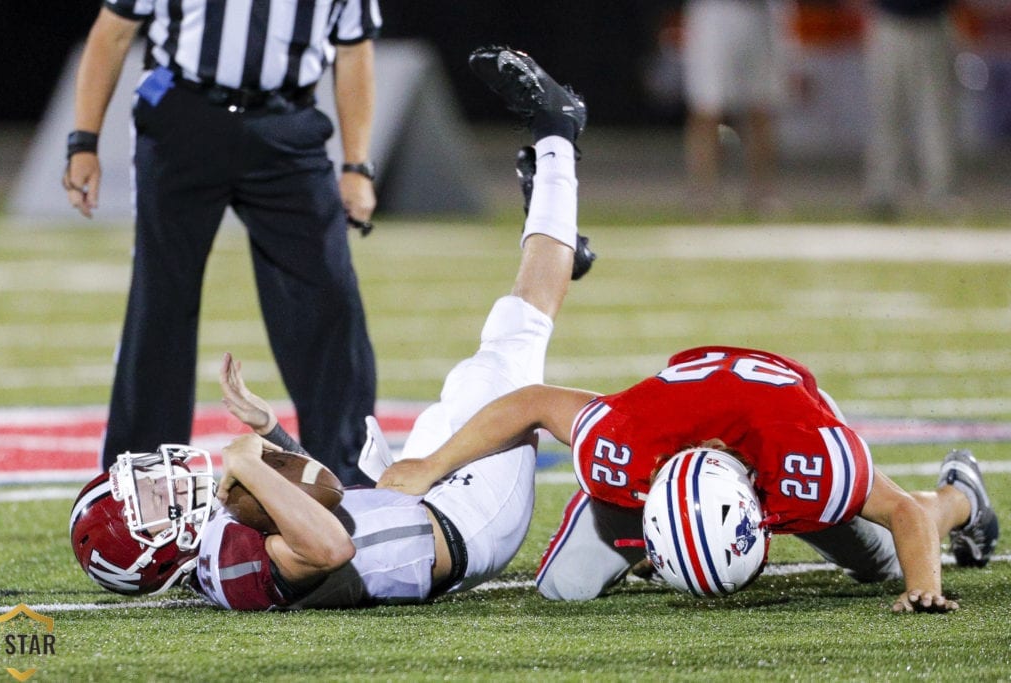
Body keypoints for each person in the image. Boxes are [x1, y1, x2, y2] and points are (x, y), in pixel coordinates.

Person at [70, 46, 594, 609]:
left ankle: (554, 226)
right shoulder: (229, 570)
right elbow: (330, 548)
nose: (165, 477)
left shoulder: (219, 543)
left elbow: (328, 493)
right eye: (150, 497)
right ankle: (557, 131)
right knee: (519, 347)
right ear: (151, 550)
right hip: (466, 521)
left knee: (492, 363)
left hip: (410, 496)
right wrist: (251, 461)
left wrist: (273, 436)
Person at [376, 347, 999, 613]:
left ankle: (960, 495)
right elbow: (533, 401)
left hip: (783, 409)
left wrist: (925, 589)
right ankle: (655, 551)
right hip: (674, 428)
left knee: (887, 564)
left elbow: (901, 515)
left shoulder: (810, 466)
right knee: (563, 589)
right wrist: (430, 467)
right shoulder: (624, 445)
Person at [61, 0, 381, 485]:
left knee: (329, 296)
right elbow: (113, 32)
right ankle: (142, 480)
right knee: (162, 299)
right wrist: (83, 141)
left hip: (287, 125)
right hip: (183, 117)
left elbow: (354, 51)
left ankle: (349, 473)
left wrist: (357, 165)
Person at [680, 0, 785, 215]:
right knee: (706, 108)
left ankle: (761, 193)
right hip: (713, 11)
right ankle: (703, 193)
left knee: (761, 108)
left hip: (759, 12)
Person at [862, 0, 959, 219]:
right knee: (887, 113)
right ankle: (884, 190)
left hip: (933, 23)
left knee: (938, 115)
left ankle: (940, 191)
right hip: (891, 22)